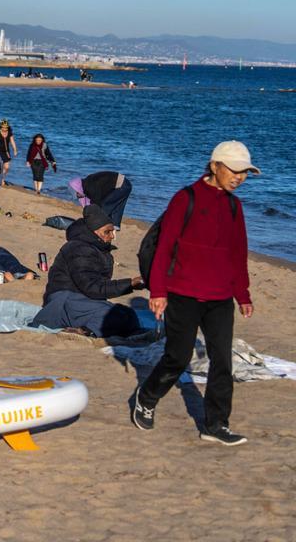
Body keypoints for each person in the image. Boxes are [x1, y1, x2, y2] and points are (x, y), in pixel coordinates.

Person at [132, 141, 258, 446]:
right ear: (215, 166)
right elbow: (164, 249)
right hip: (182, 294)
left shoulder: (233, 206)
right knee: (178, 356)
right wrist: (158, 291)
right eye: (235, 169)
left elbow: (237, 252)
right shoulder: (185, 198)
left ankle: (215, 425)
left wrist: (242, 294)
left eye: (245, 172)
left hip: (219, 298)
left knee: (222, 362)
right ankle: (146, 397)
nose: (239, 177)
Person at [31, 205, 143, 336]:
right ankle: (84, 331)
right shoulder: (78, 248)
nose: (112, 236)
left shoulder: (97, 248)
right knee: (115, 316)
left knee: (129, 315)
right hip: (63, 301)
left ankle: (88, 328)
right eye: (107, 232)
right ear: (93, 232)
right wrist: (130, 283)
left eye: (113, 232)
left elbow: (96, 287)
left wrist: (131, 285)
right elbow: (92, 287)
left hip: (83, 300)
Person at [0, 120, 17, 187]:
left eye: (6, 127)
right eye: (3, 127)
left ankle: (2, 178)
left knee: (7, 167)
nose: (5, 129)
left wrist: (15, 150)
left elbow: (12, 141)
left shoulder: (10, 133)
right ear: (1, 126)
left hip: (6, 152)